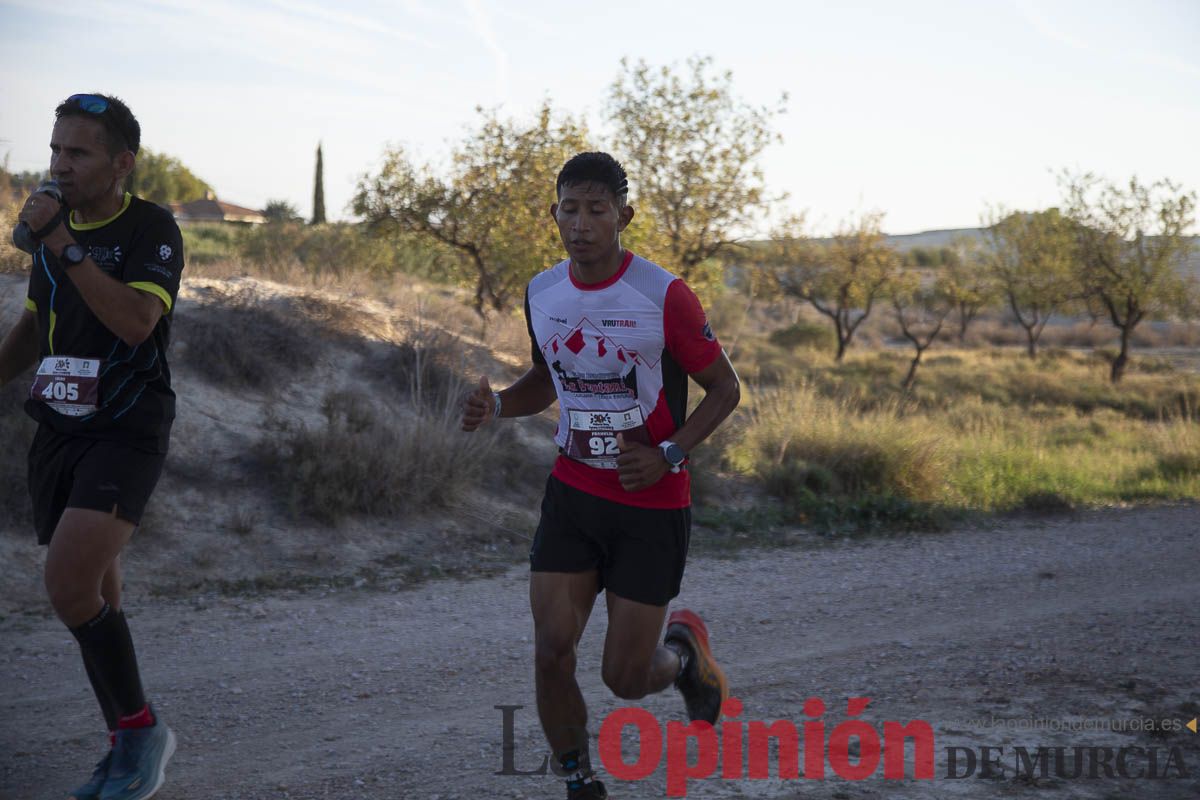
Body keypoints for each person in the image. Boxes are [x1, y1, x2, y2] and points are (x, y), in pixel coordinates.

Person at [462, 151, 741, 799]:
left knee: (626, 676)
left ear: (624, 215)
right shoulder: (542, 293)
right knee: (551, 651)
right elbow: (546, 378)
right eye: (569, 208)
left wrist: (670, 451)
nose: (580, 223)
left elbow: (726, 390)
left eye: (596, 209)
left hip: (652, 504)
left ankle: (684, 657)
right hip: (574, 494)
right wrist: (499, 404)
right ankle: (579, 779)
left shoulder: (663, 295)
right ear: (553, 213)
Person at [0, 93, 182, 800]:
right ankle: (126, 745)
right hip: (59, 428)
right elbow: (32, 327)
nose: (59, 166)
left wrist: (63, 245)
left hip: (127, 428)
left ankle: (141, 733)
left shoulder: (151, 228)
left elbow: (137, 322)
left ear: (120, 163)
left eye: (77, 153)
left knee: (68, 586)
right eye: (54, 150)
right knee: (96, 594)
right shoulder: (54, 235)